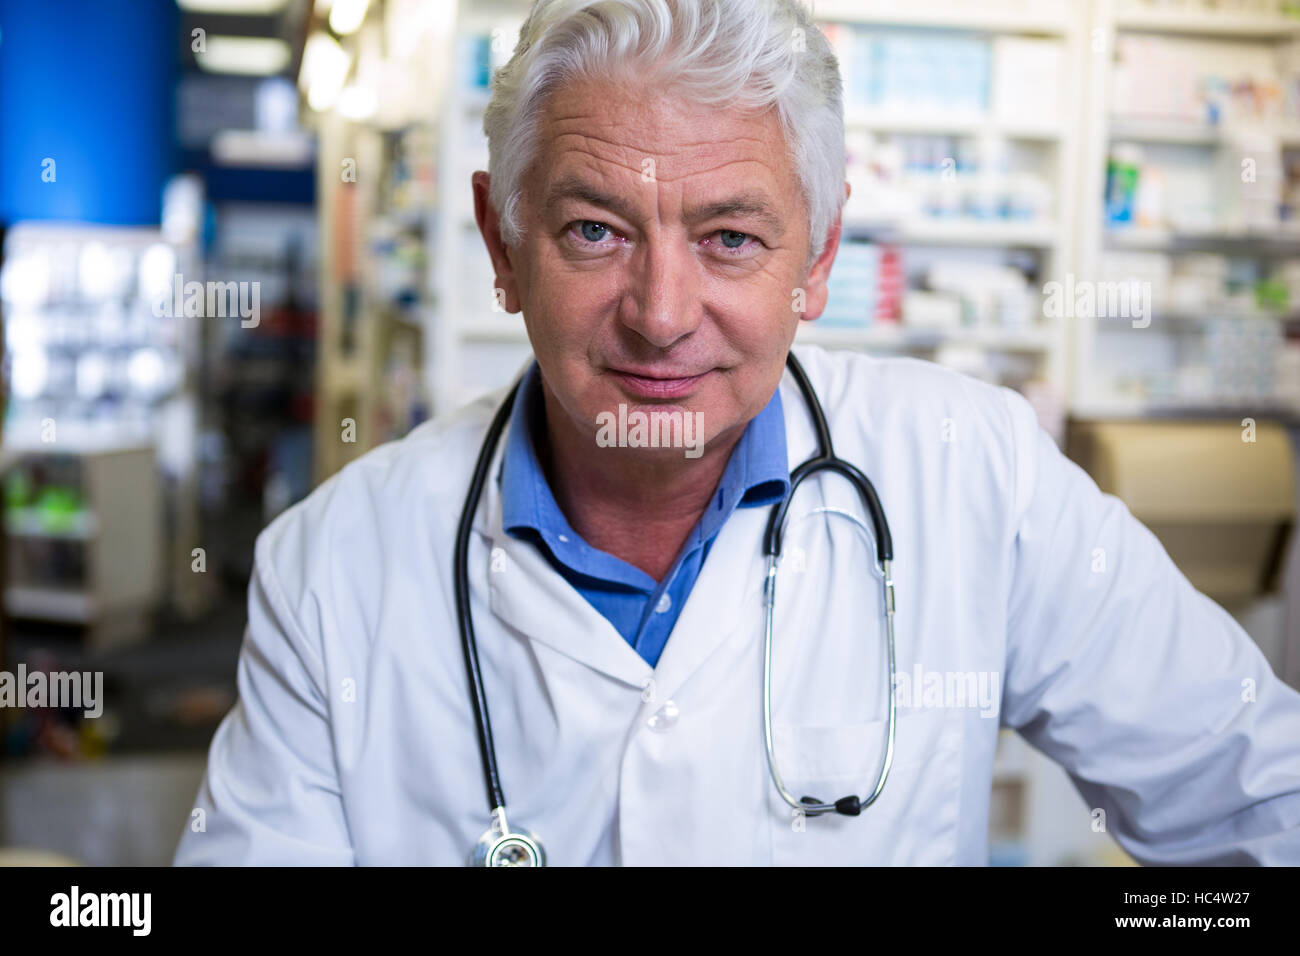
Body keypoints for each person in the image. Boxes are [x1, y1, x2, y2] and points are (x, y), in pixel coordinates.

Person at [174, 0, 1300, 865]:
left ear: (817, 258)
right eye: (594, 229)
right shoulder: (331, 566)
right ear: (500, 241)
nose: (661, 315)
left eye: (729, 239)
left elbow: (1257, 792)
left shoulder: (977, 476)